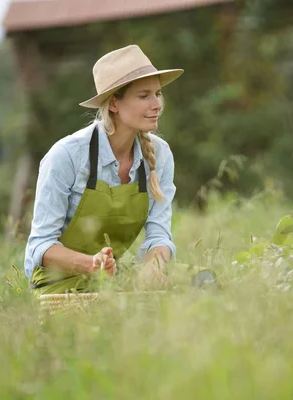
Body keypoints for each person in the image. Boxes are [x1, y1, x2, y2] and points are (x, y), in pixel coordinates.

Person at [23, 45, 184, 295]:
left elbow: (159, 233)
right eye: (144, 96)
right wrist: (91, 265)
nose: (157, 105)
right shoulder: (66, 156)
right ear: (113, 104)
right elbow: (40, 247)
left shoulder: (159, 155)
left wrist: (153, 267)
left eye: (158, 93)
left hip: (111, 285)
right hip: (59, 289)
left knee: (201, 281)